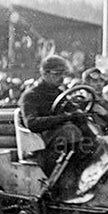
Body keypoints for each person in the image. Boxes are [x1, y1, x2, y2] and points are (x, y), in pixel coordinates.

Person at [19, 55, 97, 199]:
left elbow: (71, 110)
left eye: (63, 74)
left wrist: (79, 113)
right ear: (44, 73)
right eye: (57, 74)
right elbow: (32, 123)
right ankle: (64, 184)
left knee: (92, 134)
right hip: (43, 145)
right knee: (71, 131)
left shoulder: (59, 93)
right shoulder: (30, 96)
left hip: (64, 143)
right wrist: (66, 118)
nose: (61, 78)